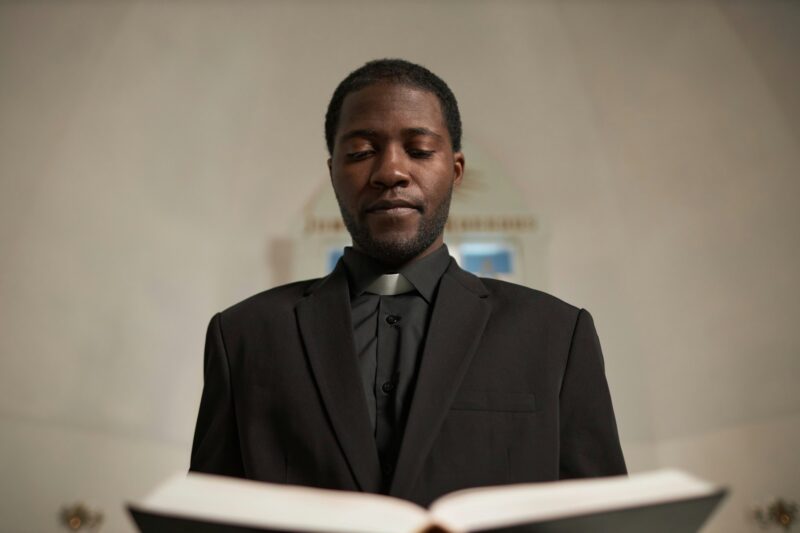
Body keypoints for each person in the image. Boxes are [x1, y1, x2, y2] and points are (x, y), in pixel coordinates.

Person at [190, 59, 626, 506]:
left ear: (455, 170)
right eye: (361, 152)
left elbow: (603, 521)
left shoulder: (556, 334)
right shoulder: (242, 335)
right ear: (333, 171)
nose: (390, 172)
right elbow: (205, 519)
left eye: (418, 150)